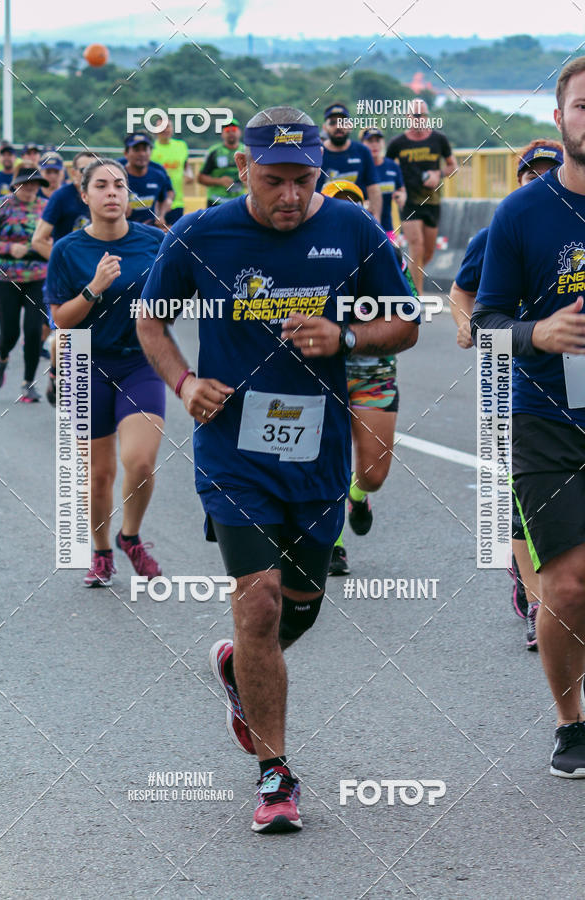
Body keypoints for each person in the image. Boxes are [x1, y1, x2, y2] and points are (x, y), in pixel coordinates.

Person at [137, 106, 419, 833]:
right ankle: (275, 774)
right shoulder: (202, 234)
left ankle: (238, 667)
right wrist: (182, 382)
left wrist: (346, 334)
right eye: (273, 181)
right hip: (235, 451)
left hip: (319, 455)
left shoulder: (353, 230)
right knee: (258, 599)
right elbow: (151, 317)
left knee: (300, 604)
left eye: (303, 180)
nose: (290, 196)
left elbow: (405, 320)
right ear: (243, 169)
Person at [471, 57, 585, 777]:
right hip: (548, 414)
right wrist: (537, 333)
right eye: (584, 104)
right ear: (560, 118)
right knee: (569, 584)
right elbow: (486, 320)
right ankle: (571, 722)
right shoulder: (521, 213)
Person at [451, 139, 563, 647]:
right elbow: (463, 291)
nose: (538, 179)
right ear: (517, 179)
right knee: (518, 491)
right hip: (513, 374)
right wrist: (464, 325)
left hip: (573, 371)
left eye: (548, 171)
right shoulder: (499, 229)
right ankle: (540, 601)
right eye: (530, 172)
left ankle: (541, 580)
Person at [47, 159, 166, 587]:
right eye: (102, 185)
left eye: (119, 185)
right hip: (85, 361)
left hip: (141, 361)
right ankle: (100, 553)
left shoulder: (155, 242)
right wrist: (93, 288)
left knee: (140, 461)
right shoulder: (68, 250)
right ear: (85, 196)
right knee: (98, 475)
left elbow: (185, 289)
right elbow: (62, 319)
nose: (112, 192)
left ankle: (129, 536)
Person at [320, 180, 418, 576]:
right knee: (328, 463)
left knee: (374, 474)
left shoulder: (387, 253)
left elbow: (408, 314)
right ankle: (333, 544)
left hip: (373, 372)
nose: (349, 211)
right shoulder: (304, 254)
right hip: (321, 373)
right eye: (338, 205)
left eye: (355, 204)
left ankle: (358, 497)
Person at [32, 151, 96, 405]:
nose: (88, 175)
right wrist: (67, 264)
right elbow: (38, 239)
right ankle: (57, 375)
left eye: (94, 169)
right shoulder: (62, 197)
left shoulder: (107, 195)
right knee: (65, 334)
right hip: (66, 280)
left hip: (100, 277)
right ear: (73, 173)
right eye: (83, 170)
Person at [0, 165, 49, 402]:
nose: (30, 188)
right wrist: (8, 247)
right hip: (6, 278)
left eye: (35, 184)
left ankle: (28, 383)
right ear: (15, 184)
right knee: (10, 334)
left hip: (38, 278)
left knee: (33, 331)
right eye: (25, 183)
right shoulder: (1, 205)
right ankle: (2, 357)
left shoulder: (45, 207)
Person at [387, 99, 457, 294]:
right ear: (407, 118)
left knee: (427, 252)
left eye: (423, 116)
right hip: (409, 201)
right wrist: (396, 190)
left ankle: (404, 278)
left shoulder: (438, 139)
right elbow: (386, 169)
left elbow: (453, 166)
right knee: (416, 247)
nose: (420, 120)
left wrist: (438, 174)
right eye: (416, 116)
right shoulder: (398, 143)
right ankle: (416, 296)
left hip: (432, 201)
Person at [316, 103, 382, 222]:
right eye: (332, 122)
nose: (338, 126)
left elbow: (373, 187)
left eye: (343, 122)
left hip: (358, 217)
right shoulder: (317, 153)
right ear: (325, 127)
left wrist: (376, 218)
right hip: (326, 218)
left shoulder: (362, 151)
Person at [361, 126, 406, 244]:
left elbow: (402, 190)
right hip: (363, 228)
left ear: (383, 143)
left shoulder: (392, 166)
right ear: (362, 144)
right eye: (370, 141)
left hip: (387, 227)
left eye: (377, 140)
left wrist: (401, 196)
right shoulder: (359, 167)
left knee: (392, 261)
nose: (374, 145)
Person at [121, 133, 173, 226]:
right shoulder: (116, 176)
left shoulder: (158, 175)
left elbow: (165, 196)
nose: (142, 154)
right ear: (126, 153)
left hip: (148, 230)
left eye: (145, 150)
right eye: (136, 150)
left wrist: (161, 215)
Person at [150, 119, 194, 226]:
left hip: (177, 202)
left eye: (168, 126)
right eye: (161, 127)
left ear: (172, 129)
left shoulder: (181, 146)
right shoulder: (151, 149)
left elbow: (185, 165)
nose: (165, 129)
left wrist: (190, 175)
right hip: (157, 203)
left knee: (175, 238)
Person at [197, 118, 246, 207]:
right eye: (227, 130)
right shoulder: (214, 152)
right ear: (222, 134)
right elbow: (201, 178)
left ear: (240, 132)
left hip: (239, 201)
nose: (231, 132)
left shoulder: (246, 151)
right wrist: (219, 181)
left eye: (234, 130)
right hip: (216, 202)